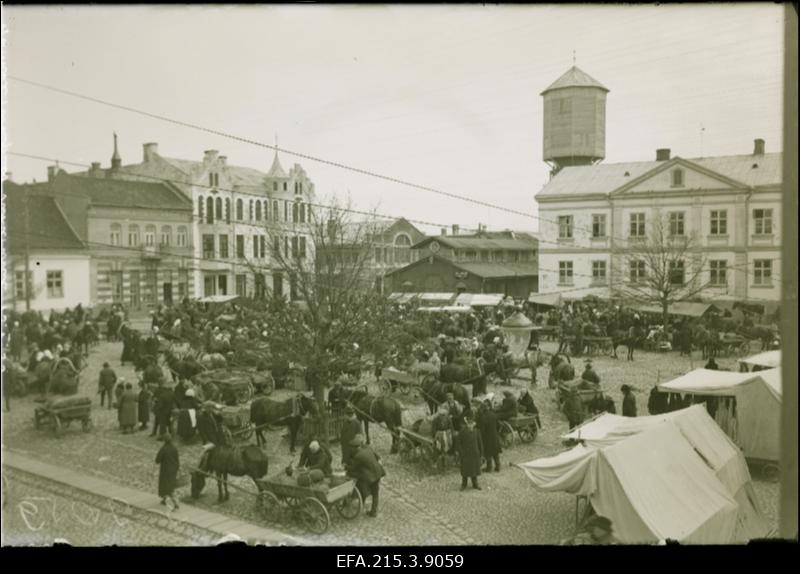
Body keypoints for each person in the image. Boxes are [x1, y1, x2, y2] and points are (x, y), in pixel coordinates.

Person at [345, 435, 385, 517]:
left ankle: (361, 502)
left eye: (352, 448)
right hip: (378, 473)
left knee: (361, 487)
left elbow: (354, 468)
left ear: (355, 448)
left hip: (371, 476)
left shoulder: (358, 456)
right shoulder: (368, 449)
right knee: (375, 493)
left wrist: (346, 467)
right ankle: (373, 512)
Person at [456, 415, 483, 491]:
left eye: (472, 423)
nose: (470, 425)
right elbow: (458, 443)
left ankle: (475, 484)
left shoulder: (477, 431)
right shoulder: (462, 432)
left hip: (475, 453)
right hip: (466, 454)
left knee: (474, 469)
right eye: (469, 423)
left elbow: (480, 443)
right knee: (465, 470)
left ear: (474, 424)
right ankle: (464, 484)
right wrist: (461, 452)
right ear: (466, 423)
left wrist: (481, 453)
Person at [155, 434, 180, 511]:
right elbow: (177, 460)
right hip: (173, 470)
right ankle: (164, 500)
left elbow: (157, 460)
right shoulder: (174, 448)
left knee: (167, 487)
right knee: (170, 485)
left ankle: (176, 504)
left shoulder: (163, 449)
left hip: (165, 471)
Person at [478, 402, 501, 473]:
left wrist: (481, 435)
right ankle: (498, 466)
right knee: (495, 452)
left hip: (487, 437)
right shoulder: (494, 415)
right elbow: (498, 425)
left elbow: (482, 429)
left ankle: (489, 468)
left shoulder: (483, 417)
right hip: (495, 435)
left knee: (488, 453)